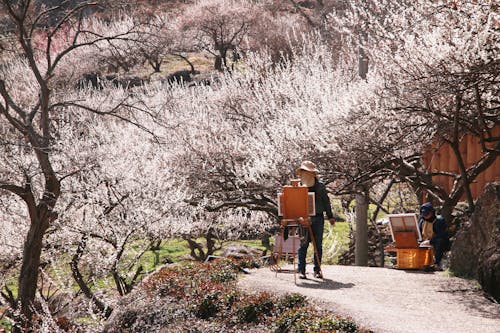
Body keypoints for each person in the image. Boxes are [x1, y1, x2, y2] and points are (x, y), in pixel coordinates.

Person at [296, 161, 335, 279]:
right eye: (304, 172)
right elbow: (293, 203)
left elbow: (326, 202)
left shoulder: (320, 187)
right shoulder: (297, 186)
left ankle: (317, 270)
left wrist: (330, 216)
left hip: (317, 218)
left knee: (317, 245)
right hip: (302, 218)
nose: (305, 174)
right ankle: (301, 269)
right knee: (303, 244)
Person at [418, 202, 451, 271]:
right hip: (424, 242)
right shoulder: (422, 221)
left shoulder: (439, 220)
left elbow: (442, 235)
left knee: (440, 241)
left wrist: (430, 241)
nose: (425, 216)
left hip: (437, 243)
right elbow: (418, 232)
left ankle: (437, 263)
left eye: (427, 214)